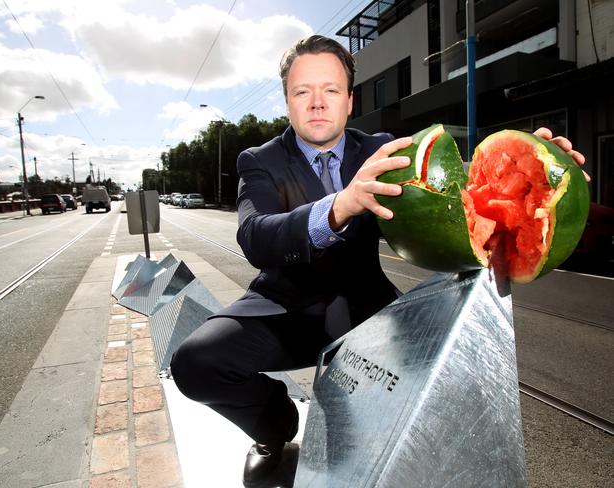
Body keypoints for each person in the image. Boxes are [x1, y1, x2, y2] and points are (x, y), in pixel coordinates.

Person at [170, 35, 587, 486]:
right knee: (194, 364)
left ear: (349, 100)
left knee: (451, 385)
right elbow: (255, 235)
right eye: (302, 92)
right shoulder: (259, 160)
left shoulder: (385, 149)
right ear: (287, 102)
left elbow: (460, 192)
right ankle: (275, 430)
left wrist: (534, 177)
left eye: (330, 90)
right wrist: (338, 206)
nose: (316, 103)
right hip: (284, 310)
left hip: (369, 310)